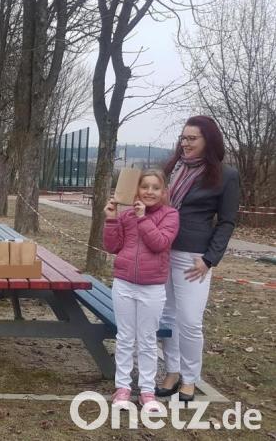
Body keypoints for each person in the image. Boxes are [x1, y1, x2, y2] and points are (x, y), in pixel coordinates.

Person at [156, 116, 240, 402]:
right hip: (163, 251)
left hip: (194, 259)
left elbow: (227, 222)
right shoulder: (173, 169)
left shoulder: (225, 175)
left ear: (209, 141)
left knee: (190, 321)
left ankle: (190, 379)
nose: (185, 143)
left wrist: (209, 260)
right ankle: (171, 371)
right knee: (166, 316)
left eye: (192, 138)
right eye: (183, 138)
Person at [103, 169, 179, 413]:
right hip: (124, 284)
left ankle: (147, 390)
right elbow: (113, 246)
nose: (149, 192)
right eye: (145, 186)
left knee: (147, 340)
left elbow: (159, 244)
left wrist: (143, 218)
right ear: (137, 190)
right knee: (125, 338)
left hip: (152, 288)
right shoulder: (127, 216)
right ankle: (122, 387)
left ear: (163, 192)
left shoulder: (171, 215)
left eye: (155, 188)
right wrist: (112, 219)